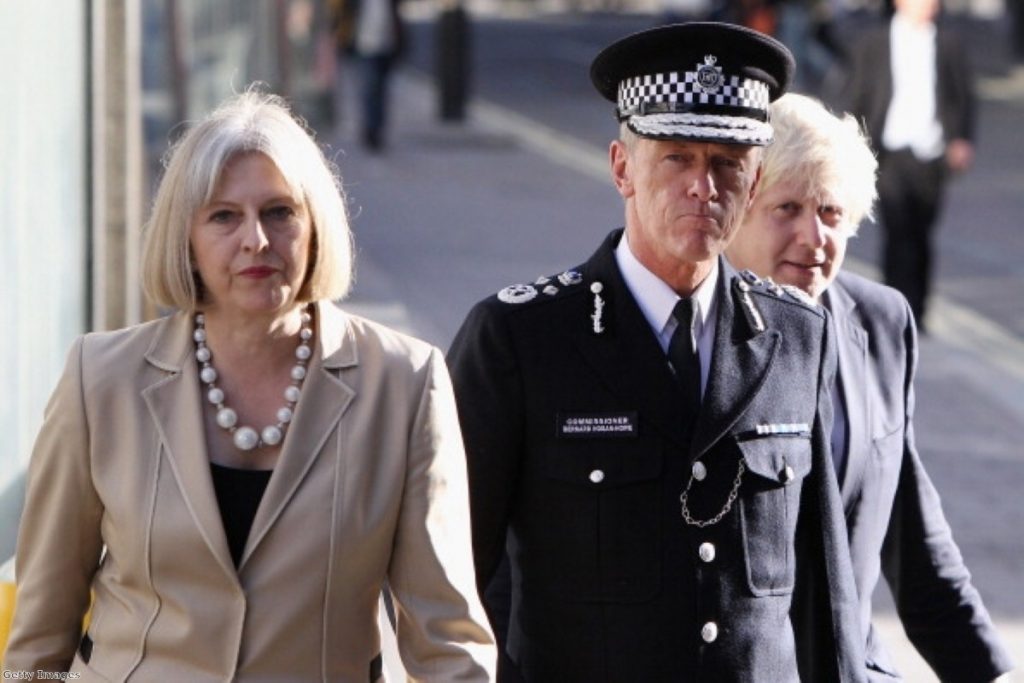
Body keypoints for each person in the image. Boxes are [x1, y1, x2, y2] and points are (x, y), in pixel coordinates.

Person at [2, 91, 495, 681]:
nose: (256, 240)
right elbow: (39, 637)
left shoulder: (405, 383)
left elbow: (447, 640)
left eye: (280, 212)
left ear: (317, 226)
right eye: (223, 216)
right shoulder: (100, 377)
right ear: (186, 237)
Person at [447, 22, 864, 682]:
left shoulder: (797, 336)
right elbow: (451, 581)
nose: (704, 186)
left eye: (728, 163)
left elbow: (824, 593)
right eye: (677, 157)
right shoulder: (519, 339)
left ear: (753, 182)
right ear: (622, 168)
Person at [725, 92, 1014, 682]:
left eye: (831, 213)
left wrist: (993, 674)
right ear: (738, 209)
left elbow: (914, 540)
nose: (814, 236)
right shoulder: (693, 332)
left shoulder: (880, 322)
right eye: (787, 208)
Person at [843, 0, 975, 328]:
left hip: (931, 153)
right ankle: (894, 309)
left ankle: (919, 308)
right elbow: (857, 94)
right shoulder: (874, 42)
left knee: (922, 233)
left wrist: (961, 139)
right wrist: (852, 142)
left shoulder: (948, 42)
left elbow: (964, 96)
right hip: (889, 152)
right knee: (897, 230)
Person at [328, 0, 405, 152]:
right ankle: (371, 130)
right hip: (363, 47)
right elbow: (343, 14)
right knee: (369, 88)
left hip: (386, 47)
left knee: (381, 90)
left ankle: (377, 127)